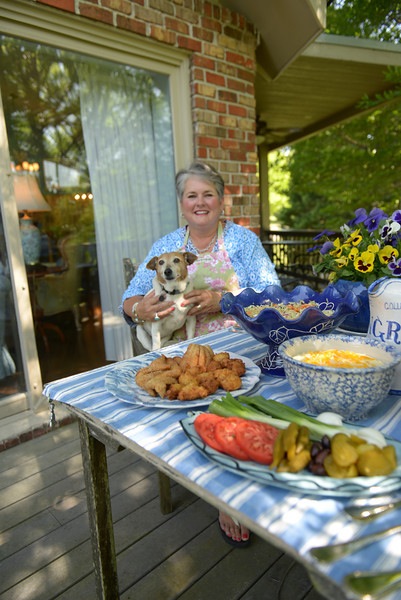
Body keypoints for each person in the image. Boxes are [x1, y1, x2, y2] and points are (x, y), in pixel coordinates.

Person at [121, 161, 279, 547]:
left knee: (256, 394)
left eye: (208, 194)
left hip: (240, 344)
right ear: (182, 204)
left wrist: (221, 300)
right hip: (182, 352)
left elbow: (272, 294)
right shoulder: (166, 247)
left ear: (221, 200)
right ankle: (227, 493)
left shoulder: (242, 241)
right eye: (192, 195)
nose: (200, 202)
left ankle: (246, 476)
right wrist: (138, 310)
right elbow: (129, 299)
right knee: (196, 397)